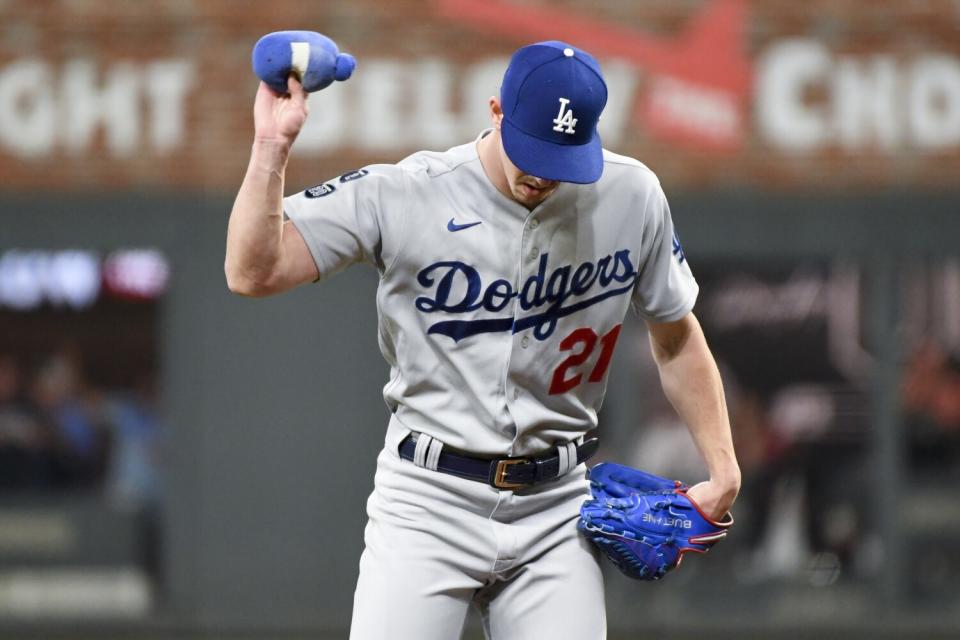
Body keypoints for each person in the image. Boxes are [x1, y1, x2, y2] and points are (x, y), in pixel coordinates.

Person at [225, 40, 740, 639]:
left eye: (561, 156)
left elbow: (675, 337)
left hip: (557, 507)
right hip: (428, 501)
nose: (542, 172)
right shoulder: (409, 191)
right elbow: (251, 272)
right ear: (496, 111)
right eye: (532, 150)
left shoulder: (632, 195)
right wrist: (271, 147)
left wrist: (723, 466)